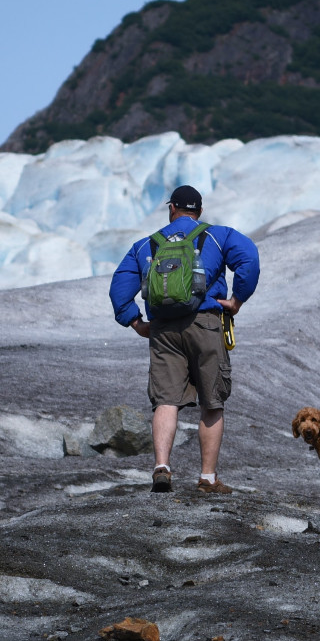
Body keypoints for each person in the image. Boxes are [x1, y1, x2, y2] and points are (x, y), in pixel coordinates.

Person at [107, 184, 260, 494]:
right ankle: (207, 478)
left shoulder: (146, 245)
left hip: (163, 329)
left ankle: (162, 467)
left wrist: (136, 322)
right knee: (212, 402)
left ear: (171, 208)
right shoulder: (218, 235)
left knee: (166, 400)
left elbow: (119, 287)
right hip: (205, 323)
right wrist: (237, 300)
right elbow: (249, 259)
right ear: (199, 211)